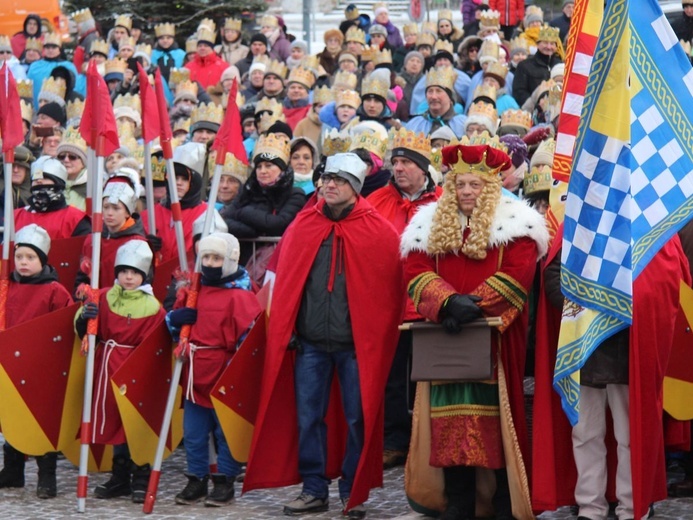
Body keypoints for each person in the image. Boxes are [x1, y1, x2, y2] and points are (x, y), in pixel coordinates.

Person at [244, 152, 404, 519]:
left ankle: (352, 491)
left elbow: (387, 293)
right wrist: (290, 328)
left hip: (354, 347)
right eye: (327, 179)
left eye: (340, 181)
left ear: (355, 188)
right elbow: (286, 283)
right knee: (308, 418)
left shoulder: (377, 230)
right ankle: (314, 488)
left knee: (356, 418)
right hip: (311, 344)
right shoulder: (304, 224)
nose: (330, 185)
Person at [400, 139, 548, 520]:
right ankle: (458, 501)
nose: (467, 191)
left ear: (491, 187)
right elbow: (415, 272)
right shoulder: (426, 225)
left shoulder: (517, 225)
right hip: (445, 340)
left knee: (497, 423)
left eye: (475, 185)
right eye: (460, 184)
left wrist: (473, 307)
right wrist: (446, 303)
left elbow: (518, 273)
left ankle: (502, 504)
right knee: (446, 423)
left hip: (494, 341)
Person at [534, 224, 690, 520]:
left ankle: (632, 506)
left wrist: (623, 308)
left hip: (632, 351)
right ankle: (591, 506)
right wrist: (586, 309)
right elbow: (554, 278)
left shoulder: (650, 225)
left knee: (631, 433)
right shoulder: (582, 221)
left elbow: (664, 281)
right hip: (584, 350)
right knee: (585, 432)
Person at [166, 232, 261, 506]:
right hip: (195, 371)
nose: (209, 262)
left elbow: (250, 339)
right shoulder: (193, 292)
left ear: (229, 260)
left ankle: (225, 479)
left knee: (224, 431)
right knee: (194, 432)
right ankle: (196, 478)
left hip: (224, 373)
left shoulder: (239, 296)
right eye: (205, 256)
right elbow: (173, 327)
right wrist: (176, 318)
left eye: (216, 257)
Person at [367, 129, 442, 469]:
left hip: (430, 305)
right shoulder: (376, 201)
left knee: (430, 376)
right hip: (389, 304)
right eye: (395, 162)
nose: (398, 169)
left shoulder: (443, 202)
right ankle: (395, 441)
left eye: (407, 163)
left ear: (424, 169)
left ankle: (432, 440)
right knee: (393, 377)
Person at [74, 240, 164, 503]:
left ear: (144, 275)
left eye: (135, 272)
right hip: (107, 366)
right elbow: (89, 334)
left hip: (136, 369)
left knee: (134, 421)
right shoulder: (102, 297)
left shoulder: (153, 307)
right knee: (113, 420)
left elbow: (156, 344)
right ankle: (120, 477)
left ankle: (141, 476)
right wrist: (85, 317)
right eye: (124, 271)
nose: (128, 276)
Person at [0, 224, 73, 499]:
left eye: (30, 257)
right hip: (12, 363)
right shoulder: (6, 287)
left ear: (42, 260)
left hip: (43, 366)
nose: (23, 262)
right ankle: (13, 470)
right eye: (19, 257)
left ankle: (46, 475)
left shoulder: (55, 291)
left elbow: (64, 324)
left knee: (43, 420)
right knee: (12, 416)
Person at [75, 172, 147, 292]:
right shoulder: (92, 239)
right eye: (106, 207)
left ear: (127, 212)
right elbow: (82, 276)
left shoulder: (137, 243)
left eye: (116, 208)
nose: (109, 213)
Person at [14, 156, 91, 239]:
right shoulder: (16, 216)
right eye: (35, 177)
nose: (39, 180)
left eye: (45, 177)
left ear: (58, 184)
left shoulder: (75, 219)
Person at [513, 25, 563, 107]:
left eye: (552, 44)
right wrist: (536, 104)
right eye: (545, 43)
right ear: (538, 44)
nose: (549, 47)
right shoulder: (525, 66)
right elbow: (519, 91)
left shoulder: (561, 65)